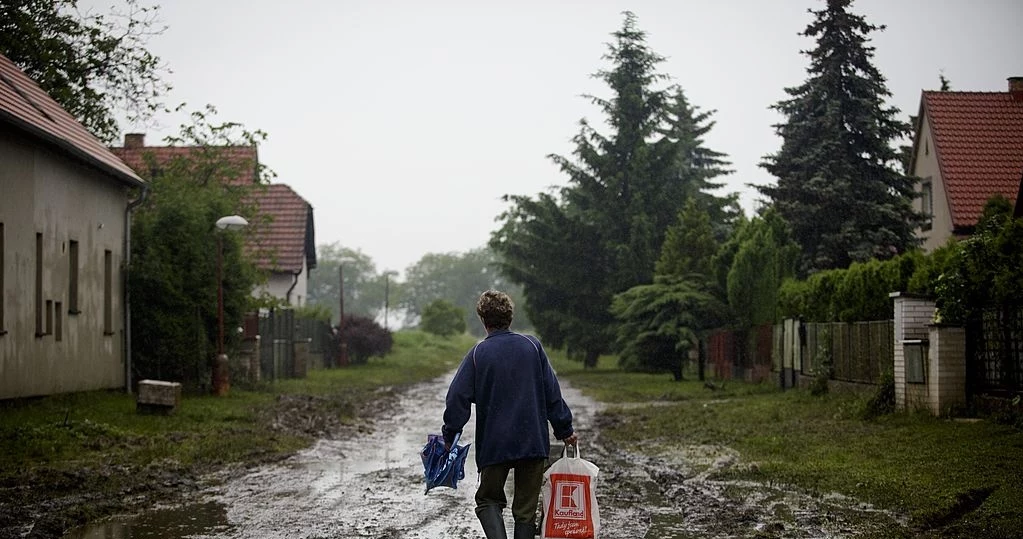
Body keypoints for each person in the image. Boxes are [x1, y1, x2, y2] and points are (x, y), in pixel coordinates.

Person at [442, 290, 578, 539]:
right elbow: (552, 392)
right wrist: (565, 429)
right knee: (525, 511)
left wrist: (450, 433)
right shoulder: (532, 346)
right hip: (532, 442)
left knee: (488, 499)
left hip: (495, 445)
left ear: (483, 320)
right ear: (510, 318)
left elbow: (457, 397)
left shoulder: (478, 353)